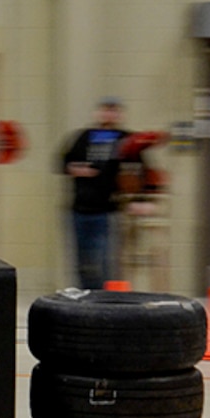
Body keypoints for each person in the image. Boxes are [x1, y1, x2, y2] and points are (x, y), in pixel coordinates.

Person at [62, 98, 128, 289]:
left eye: (113, 111)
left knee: (104, 259)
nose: (108, 115)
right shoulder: (84, 137)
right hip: (80, 208)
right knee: (82, 260)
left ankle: (105, 298)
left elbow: (137, 167)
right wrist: (79, 170)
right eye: (105, 110)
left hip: (107, 209)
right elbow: (63, 163)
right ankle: (85, 296)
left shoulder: (124, 139)